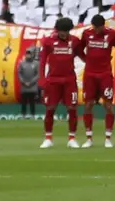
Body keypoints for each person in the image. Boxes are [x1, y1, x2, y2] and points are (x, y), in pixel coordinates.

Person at [77, 12, 115, 147]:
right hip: (90, 75)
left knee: (108, 105)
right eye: (95, 28)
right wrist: (87, 60)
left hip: (105, 74)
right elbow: (79, 50)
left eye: (99, 28)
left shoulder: (111, 34)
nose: (97, 30)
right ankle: (89, 138)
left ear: (103, 25)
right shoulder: (86, 34)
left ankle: (108, 138)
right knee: (88, 105)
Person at [37, 16, 81, 149]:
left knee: (72, 109)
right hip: (53, 81)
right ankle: (48, 138)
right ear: (57, 30)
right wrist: (42, 79)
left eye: (66, 31)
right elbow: (43, 61)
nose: (64, 33)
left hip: (69, 81)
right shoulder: (48, 41)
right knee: (50, 109)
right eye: (62, 31)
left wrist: (93, 63)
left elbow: (82, 56)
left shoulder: (75, 41)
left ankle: (72, 138)